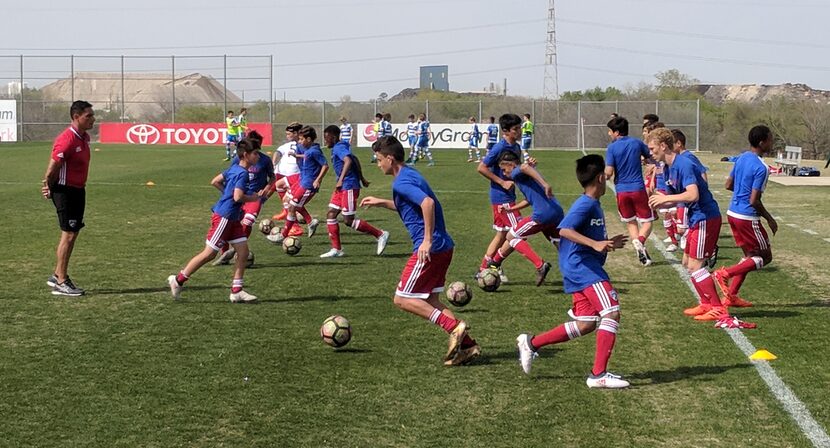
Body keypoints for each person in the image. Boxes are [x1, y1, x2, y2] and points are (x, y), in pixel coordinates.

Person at [360, 136, 480, 366]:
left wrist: (426, 241)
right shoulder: (409, 173)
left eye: (378, 160)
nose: (378, 164)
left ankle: (454, 327)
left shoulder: (401, 183)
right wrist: (382, 202)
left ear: (390, 158)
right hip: (444, 247)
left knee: (402, 299)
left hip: (430, 248)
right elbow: (410, 204)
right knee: (431, 301)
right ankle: (468, 346)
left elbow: (427, 203)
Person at [516, 154, 629, 389]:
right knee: (611, 312)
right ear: (600, 178)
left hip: (579, 266)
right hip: (584, 268)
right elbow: (564, 230)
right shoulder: (586, 203)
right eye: (607, 175)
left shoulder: (591, 204)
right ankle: (598, 375)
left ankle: (531, 343)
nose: (609, 178)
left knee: (586, 323)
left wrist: (605, 242)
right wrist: (596, 245)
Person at [167, 139, 263, 304]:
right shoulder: (243, 173)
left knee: (243, 252)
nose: (258, 156)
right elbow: (238, 196)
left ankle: (236, 291)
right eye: (255, 153)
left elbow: (215, 181)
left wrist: (227, 195)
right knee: (209, 254)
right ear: (246, 155)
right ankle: (178, 280)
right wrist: (253, 197)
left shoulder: (234, 168)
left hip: (232, 218)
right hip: (225, 217)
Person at [648, 128, 726, 321]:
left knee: (696, 266)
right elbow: (675, 199)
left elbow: (693, 195)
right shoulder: (666, 168)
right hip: (695, 217)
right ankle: (705, 304)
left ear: (663, 146)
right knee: (686, 264)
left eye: (652, 148)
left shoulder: (684, 164)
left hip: (706, 217)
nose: (650, 153)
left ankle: (718, 307)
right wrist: (658, 202)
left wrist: (666, 199)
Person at [714, 125, 778, 307]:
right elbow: (754, 200)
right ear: (762, 142)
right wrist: (769, 218)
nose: (772, 143)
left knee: (750, 256)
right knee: (765, 257)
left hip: (732, 213)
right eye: (770, 139)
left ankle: (731, 296)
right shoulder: (762, 167)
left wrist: (742, 192)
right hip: (747, 218)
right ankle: (724, 273)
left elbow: (728, 185)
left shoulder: (742, 158)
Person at [42, 100, 95, 296]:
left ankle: (57, 275)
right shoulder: (67, 139)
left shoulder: (84, 137)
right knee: (69, 234)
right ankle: (61, 281)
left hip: (78, 190)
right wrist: (48, 185)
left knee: (73, 234)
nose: (93, 119)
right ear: (76, 117)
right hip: (65, 191)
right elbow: (53, 167)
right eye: (88, 116)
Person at [487, 151, 563, 286]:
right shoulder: (523, 176)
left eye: (504, 169)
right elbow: (529, 199)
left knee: (511, 236)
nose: (504, 174)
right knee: (562, 246)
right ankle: (580, 272)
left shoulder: (517, 171)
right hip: (556, 211)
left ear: (510, 164)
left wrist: (545, 184)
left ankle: (540, 265)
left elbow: (524, 167)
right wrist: (511, 209)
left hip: (542, 215)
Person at [320, 125, 390, 258]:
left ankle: (380, 234)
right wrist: (362, 178)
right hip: (342, 187)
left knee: (348, 220)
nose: (325, 141)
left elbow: (348, 161)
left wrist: (341, 180)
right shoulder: (341, 146)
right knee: (331, 214)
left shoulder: (339, 147)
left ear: (333, 137)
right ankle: (336, 249)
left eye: (326, 138)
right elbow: (354, 159)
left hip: (348, 186)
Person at [213, 130, 275, 265]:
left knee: (248, 222)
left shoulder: (265, 160)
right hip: (240, 197)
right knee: (231, 223)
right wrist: (226, 193)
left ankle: (235, 251)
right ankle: (224, 253)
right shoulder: (239, 161)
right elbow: (230, 175)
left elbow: (273, 177)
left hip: (255, 197)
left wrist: (267, 188)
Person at [476, 113, 524, 282]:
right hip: (501, 198)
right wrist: (501, 182)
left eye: (520, 127)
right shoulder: (499, 148)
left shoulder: (516, 147)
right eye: (516, 129)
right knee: (520, 231)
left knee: (502, 236)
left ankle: (485, 268)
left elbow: (515, 170)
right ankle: (494, 264)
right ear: (505, 131)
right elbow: (481, 167)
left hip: (509, 196)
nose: (519, 131)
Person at [605, 116, 654, 266]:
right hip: (638, 188)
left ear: (617, 132)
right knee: (647, 222)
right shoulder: (637, 143)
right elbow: (650, 157)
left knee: (631, 222)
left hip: (621, 191)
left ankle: (638, 247)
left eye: (610, 131)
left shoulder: (612, 148)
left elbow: (609, 172)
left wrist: (600, 177)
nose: (609, 134)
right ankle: (640, 241)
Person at [267, 126, 327, 243]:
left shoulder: (314, 151)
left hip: (308, 184)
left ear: (308, 139)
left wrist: (318, 180)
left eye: (301, 139)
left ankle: (283, 235)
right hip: (302, 179)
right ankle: (310, 221)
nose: (299, 142)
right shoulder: (309, 149)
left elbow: (325, 165)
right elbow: (307, 156)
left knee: (292, 206)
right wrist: (297, 156)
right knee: (290, 202)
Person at [270, 122, 307, 236]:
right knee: (281, 191)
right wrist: (274, 163)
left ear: (296, 133)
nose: (287, 136)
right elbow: (277, 152)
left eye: (289, 134)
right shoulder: (288, 145)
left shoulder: (304, 146)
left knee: (292, 200)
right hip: (281, 173)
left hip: (296, 175)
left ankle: (297, 223)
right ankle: (286, 212)